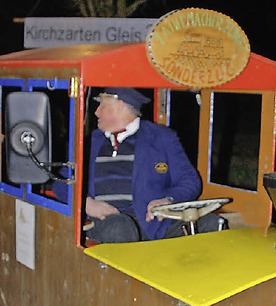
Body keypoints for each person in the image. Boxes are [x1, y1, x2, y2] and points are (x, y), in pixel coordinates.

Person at [83, 87, 225, 243]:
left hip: (156, 225)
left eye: (102, 106)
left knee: (213, 223)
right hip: (108, 223)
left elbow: (189, 180)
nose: (96, 112)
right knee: (120, 227)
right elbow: (61, 180)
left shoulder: (161, 138)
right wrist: (85, 203)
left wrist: (168, 200)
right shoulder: (90, 142)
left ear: (120, 106)